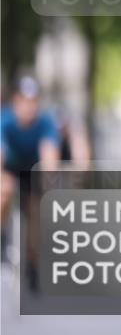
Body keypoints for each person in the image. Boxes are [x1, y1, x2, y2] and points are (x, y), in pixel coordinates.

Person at [1, 76, 61, 289]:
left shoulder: (45, 123)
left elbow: (49, 154)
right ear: (16, 101)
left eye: (33, 101)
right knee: (3, 191)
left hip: (32, 170)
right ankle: (2, 239)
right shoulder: (5, 121)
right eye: (24, 101)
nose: (29, 107)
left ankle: (33, 262)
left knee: (37, 208)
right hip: (9, 168)